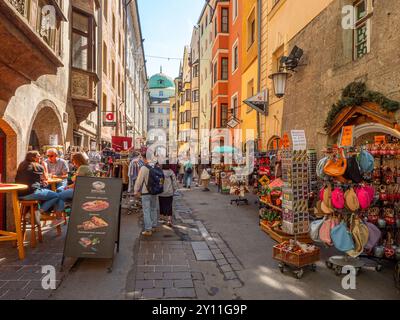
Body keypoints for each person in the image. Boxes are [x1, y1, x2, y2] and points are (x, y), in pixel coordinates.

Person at [15, 151, 60, 223]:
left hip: (19, 195)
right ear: (34, 158)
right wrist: (44, 165)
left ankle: (30, 213)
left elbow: (30, 176)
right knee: (56, 196)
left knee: (43, 192)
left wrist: (41, 181)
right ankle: (37, 213)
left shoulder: (22, 164)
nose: (40, 158)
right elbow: (46, 178)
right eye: (39, 156)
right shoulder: (38, 166)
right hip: (31, 193)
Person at [134, 156, 159, 236]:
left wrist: (136, 190)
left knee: (146, 210)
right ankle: (154, 226)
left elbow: (139, 181)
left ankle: (148, 229)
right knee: (153, 209)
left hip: (146, 192)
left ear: (145, 159)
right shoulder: (156, 167)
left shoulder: (144, 168)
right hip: (154, 192)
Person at [159, 162, 178, 226]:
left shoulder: (160, 172)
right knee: (169, 206)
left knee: (161, 205)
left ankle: (162, 218)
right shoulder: (171, 172)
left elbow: (159, 182)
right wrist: (174, 189)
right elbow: (174, 181)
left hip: (161, 192)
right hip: (169, 192)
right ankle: (169, 220)